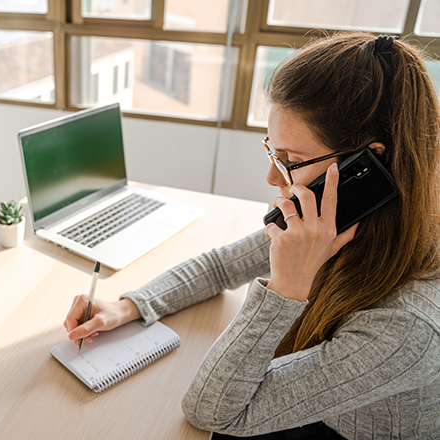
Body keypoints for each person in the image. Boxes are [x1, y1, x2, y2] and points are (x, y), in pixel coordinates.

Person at [63, 31, 440, 439]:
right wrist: (129, 306)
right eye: (272, 153)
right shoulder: (342, 222)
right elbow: (221, 266)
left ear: (366, 165)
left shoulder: (406, 327)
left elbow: (211, 411)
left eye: (291, 160)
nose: (272, 177)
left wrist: (286, 288)